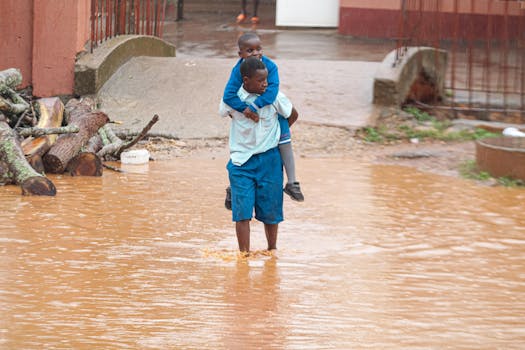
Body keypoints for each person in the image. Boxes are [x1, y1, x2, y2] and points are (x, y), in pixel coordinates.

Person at [219, 57, 298, 253]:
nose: (266, 84)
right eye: (261, 81)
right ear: (246, 80)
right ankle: (243, 257)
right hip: (240, 162)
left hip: (270, 160)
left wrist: (277, 134)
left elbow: (293, 114)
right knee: (242, 213)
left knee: (271, 212)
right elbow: (224, 110)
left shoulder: (275, 97)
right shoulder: (233, 99)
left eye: (267, 80)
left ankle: (272, 251)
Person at [222, 32, 304, 211]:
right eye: (249, 50)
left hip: (271, 112)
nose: (255, 53)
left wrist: (255, 109)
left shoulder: (271, 66)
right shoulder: (238, 71)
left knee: (284, 142)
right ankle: (233, 188)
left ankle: (292, 182)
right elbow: (228, 96)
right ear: (241, 54)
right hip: (248, 124)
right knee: (242, 148)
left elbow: (272, 92)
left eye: (258, 49)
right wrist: (245, 110)